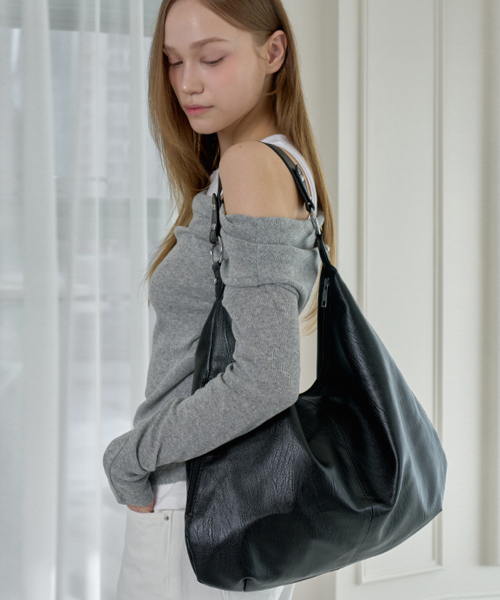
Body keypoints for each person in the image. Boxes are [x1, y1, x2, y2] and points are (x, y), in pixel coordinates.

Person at [102, 0, 336, 598]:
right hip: (220, 500)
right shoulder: (270, 166)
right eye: (172, 61)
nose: (186, 83)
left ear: (273, 53)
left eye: (211, 58)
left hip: (194, 502)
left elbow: (266, 378)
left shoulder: (251, 166)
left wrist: (130, 458)